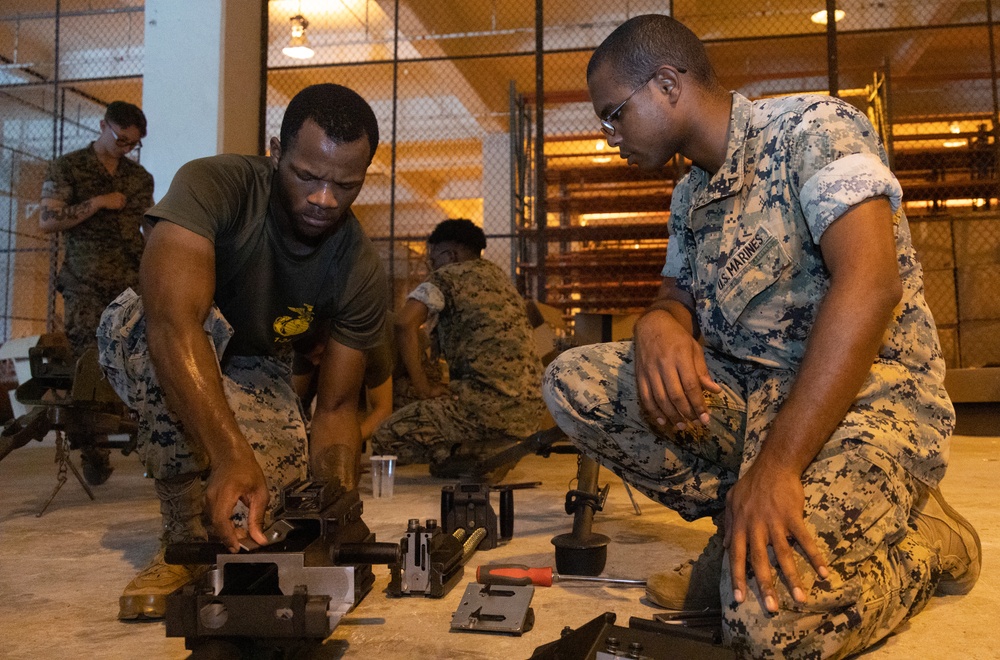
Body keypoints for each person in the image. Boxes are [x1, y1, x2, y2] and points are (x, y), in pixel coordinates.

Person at [542, 14, 980, 659]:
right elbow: (675, 295)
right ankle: (739, 539)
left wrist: (776, 467)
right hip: (754, 401)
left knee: (768, 629)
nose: (609, 137)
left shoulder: (813, 128)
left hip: (865, 402)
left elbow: (870, 284)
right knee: (574, 381)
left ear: (667, 84)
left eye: (614, 115)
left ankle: (928, 543)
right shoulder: (692, 193)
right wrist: (658, 324)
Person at [96, 83, 387, 620]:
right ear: (276, 152)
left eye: (346, 185)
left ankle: (227, 507)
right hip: (163, 332)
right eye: (307, 176)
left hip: (256, 363)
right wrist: (230, 453)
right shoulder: (215, 183)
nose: (325, 199)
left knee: (268, 502)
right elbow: (171, 323)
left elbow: (339, 407)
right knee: (144, 324)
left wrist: (334, 507)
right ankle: (182, 543)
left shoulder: (359, 267)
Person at [372, 219, 544, 481]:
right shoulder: (500, 278)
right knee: (404, 394)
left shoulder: (447, 277)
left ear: (450, 254)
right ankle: (476, 451)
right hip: (531, 411)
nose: (432, 266)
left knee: (385, 437)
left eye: (433, 259)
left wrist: (424, 388)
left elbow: (404, 323)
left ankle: (477, 455)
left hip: (485, 410)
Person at [39, 100, 154, 486]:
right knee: (88, 363)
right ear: (102, 126)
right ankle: (94, 448)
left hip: (129, 284)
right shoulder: (69, 167)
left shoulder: (140, 179)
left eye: (132, 144)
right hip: (85, 283)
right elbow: (47, 220)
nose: (125, 148)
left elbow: (150, 228)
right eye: (120, 139)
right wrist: (97, 202)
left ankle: (152, 441)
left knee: (138, 360)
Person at [291, 318, 394, 445]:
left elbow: (383, 409)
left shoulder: (370, 341)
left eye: (319, 355)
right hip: (339, 353)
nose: (315, 362)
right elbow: (293, 402)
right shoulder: (306, 348)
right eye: (311, 358)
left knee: (388, 437)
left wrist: (344, 443)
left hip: (398, 365)